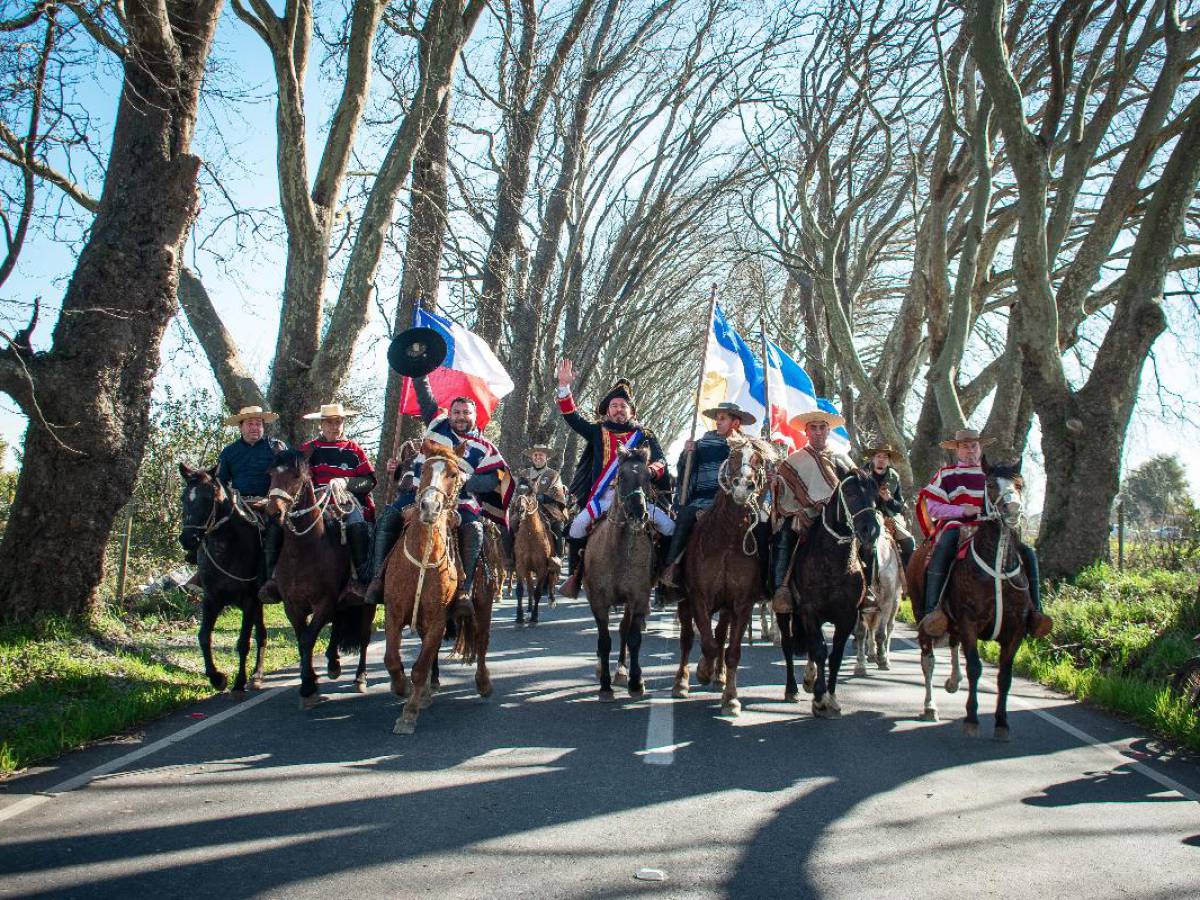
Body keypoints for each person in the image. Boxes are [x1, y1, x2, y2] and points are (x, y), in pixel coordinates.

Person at [366, 379, 511, 619]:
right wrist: (418, 366)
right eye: (456, 412)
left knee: (473, 529)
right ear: (449, 413)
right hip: (418, 494)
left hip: (460, 501)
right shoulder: (436, 427)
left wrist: (466, 479)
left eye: (466, 412)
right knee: (388, 517)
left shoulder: (485, 448)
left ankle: (464, 590)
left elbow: (498, 478)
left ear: (475, 416)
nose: (461, 416)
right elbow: (424, 395)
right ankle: (377, 578)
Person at [555, 359, 674, 598]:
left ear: (631, 411)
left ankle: (664, 577)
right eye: (614, 405)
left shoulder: (644, 434)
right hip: (603, 497)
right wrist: (564, 386)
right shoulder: (598, 431)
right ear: (607, 410)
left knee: (670, 526)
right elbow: (572, 417)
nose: (619, 409)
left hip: (638, 496)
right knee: (577, 527)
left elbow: (662, 461)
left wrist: (650, 472)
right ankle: (576, 575)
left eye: (623, 406)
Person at [916, 429, 1051, 638]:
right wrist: (962, 511)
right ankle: (933, 610)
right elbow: (933, 508)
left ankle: (1035, 612)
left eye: (974, 446)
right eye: (965, 446)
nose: (970, 450)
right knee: (942, 549)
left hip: (994, 527)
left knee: (1028, 553)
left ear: (980, 448)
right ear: (957, 450)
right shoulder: (946, 474)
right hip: (957, 527)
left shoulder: (995, 474)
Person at [660, 402, 757, 589]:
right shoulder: (702, 444)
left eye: (723, 419)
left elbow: (756, 471)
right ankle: (670, 572)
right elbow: (686, 471)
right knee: (682, 521)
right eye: (717, 419)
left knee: (760, 527)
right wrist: (686, 455)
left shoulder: (748, 447)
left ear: (735, 423)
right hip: (703, 500)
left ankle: (764, 581)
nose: (718, 423)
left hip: (736, 501)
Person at [768, 409, 856, 613]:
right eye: (813, 428)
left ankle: (868, 589)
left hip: (837, 516)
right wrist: (776, 483)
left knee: (866, 541)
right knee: (783, 538)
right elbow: (784, 487)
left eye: (822, 428)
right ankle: (781, 590)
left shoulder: (842, 457)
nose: (818, 432)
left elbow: (854, 485)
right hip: (805, 514)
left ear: (828, 431)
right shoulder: (795, 460)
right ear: (806, 432)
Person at [296, 403, 376, 598]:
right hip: (315, 503)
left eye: (339, 422)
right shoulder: (308, 449)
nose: (335, 427)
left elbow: (370, 481)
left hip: (346, 503)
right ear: (321, 425)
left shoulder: (354, 450)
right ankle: (282, 577)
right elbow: (297, 477)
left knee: (355, 522)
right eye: (330, 423)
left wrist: (346, 482)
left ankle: (360, 579)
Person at [204, 406, 288, 584]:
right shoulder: (229, 452)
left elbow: (287, 474)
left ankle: (273, 578)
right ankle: (205, 575)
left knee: (278, 529)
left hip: (270, 502)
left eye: (258, 424)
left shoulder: (276, 448)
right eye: (250, 424)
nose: (255, 428)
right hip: (239, 503)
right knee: (209, 525)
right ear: (241, 427)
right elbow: (220, 482)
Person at [863, 441, 917, 595]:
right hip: (866, 516)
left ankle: (908, 582)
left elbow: (899, 506)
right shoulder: (862, 474)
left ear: (889, 460)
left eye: (885, 457)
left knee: (909, 541)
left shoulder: (894, 477)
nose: (881, 460)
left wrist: (889, 500)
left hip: (889, 518)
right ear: (873, 458)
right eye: (878, 456)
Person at [515, 444, 569, 568]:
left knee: (557, 527)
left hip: (548, 509)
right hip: (527, 507)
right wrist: (522, 489)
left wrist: (542, 497)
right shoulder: (524, 473)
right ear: (531, 458)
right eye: (535, 455)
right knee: (510, 525)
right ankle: (510, 558)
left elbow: (558, 492)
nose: (538, 457)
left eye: (541, 455)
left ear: (546, 457)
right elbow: (519, 488)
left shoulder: (553, 474)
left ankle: (558, 558)